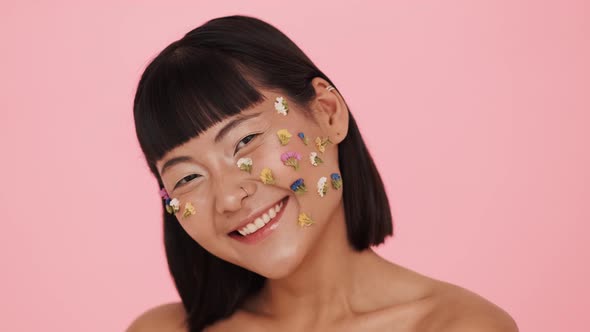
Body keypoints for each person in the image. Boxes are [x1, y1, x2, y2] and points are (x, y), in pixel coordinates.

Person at [127, 15, 518, 332]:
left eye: (245, 141)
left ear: (328, 112)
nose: (228, 198)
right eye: (187, 178)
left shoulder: (461, 326)